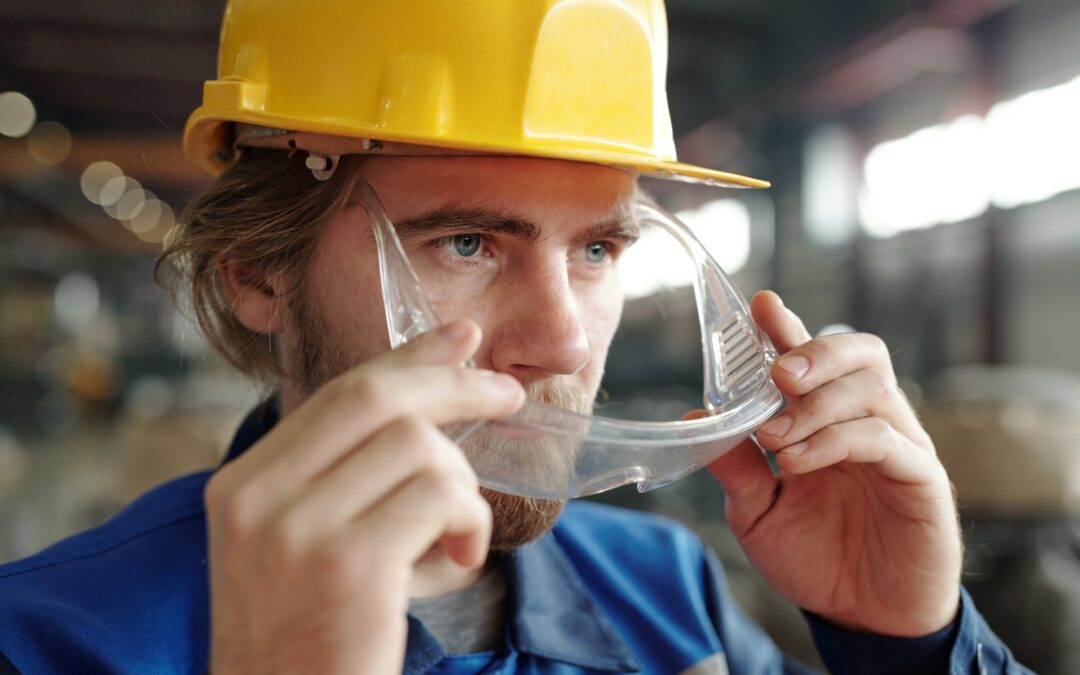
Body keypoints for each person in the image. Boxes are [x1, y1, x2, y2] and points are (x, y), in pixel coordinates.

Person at [0, 1, 1030, 673]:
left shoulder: (666, 591)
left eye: (596, 253)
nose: (565, 344)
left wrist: (911, 644)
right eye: (465, 242)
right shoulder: (50, 640)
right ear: (260, 277)